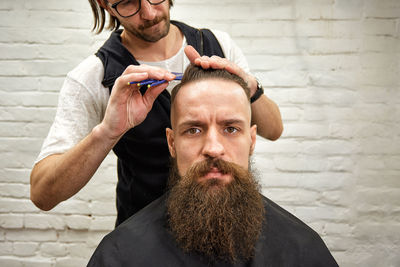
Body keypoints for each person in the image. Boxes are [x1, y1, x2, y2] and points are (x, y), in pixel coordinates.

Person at [30, 0, 283, 226]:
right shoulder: (94, 77)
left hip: (226, 221)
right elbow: (42, 194)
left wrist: (250, 87)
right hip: (144, 235)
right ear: (106, 5)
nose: (149, 12)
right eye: (128, 3)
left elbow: (273, 130)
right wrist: (108, 132)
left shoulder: (218, 45)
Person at [87, 65, 338, 266]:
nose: (213, 148)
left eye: (230, 129)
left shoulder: (301, 249)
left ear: (251, 140)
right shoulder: (122, 255)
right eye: (194, 130)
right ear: (172, 143)